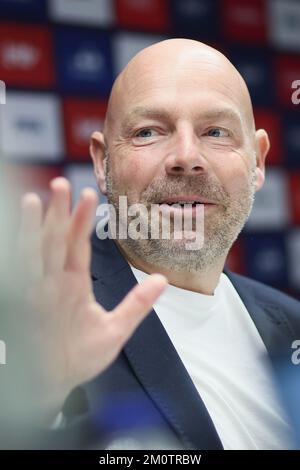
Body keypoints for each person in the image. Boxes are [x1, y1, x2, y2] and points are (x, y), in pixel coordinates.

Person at [17, 39, 300, 450]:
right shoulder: (32, 322)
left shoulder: (291, 325)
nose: (186, 156)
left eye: (215, 131)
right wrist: (35, 402)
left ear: (257, 161)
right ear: (102, 162)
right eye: (148, 131)